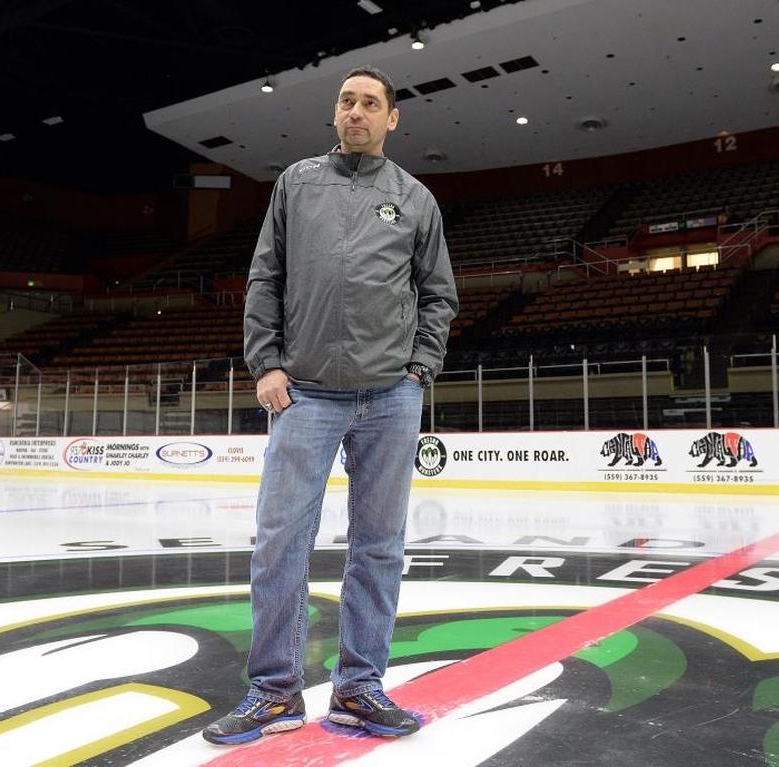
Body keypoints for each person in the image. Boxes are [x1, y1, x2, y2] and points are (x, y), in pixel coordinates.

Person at [203, 64, 458, 745]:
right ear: (335, 113)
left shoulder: (415, 198)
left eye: (370, 103)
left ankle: (360, 688)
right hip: (305, 392)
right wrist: (266, 363)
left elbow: (438, 294)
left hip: (390, 396)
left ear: (391, 118)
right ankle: (274, 690)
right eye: (347, 101)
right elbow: (266, 276)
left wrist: (419, 369)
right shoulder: (296, 183)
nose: (356, 112)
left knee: (378, 547)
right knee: (281, 542)